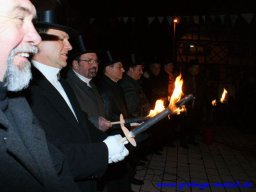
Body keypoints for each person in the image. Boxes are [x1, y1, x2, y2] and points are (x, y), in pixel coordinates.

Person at [24, 10, 129, 192]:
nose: (69, 46)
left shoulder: (63, 84)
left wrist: (111, 140)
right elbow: (47, 154)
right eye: (61, 39)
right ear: (37, 40)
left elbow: (81, 125)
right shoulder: (27, 89)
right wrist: (102, 152)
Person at [0, 1, 80, 192]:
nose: (36, 37)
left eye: (33, 23)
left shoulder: (16, 101)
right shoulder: (28, 91)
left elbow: (54, 164)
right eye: (20, 18)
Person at [95, 50, 133, 192]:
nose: (123, 70)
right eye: (119, 67)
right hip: (114, 138)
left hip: (121, 134)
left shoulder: (115, 85)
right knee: (114, 177)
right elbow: (108, 118)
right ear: (107, 68)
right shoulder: (105, 89)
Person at [65, 34, 111, 132]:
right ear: (76, 64)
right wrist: (95, 122)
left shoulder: (91, 84)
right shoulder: (67, 86)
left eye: (96, 61)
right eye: (89, 61)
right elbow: (69, 121)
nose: (94, 64)